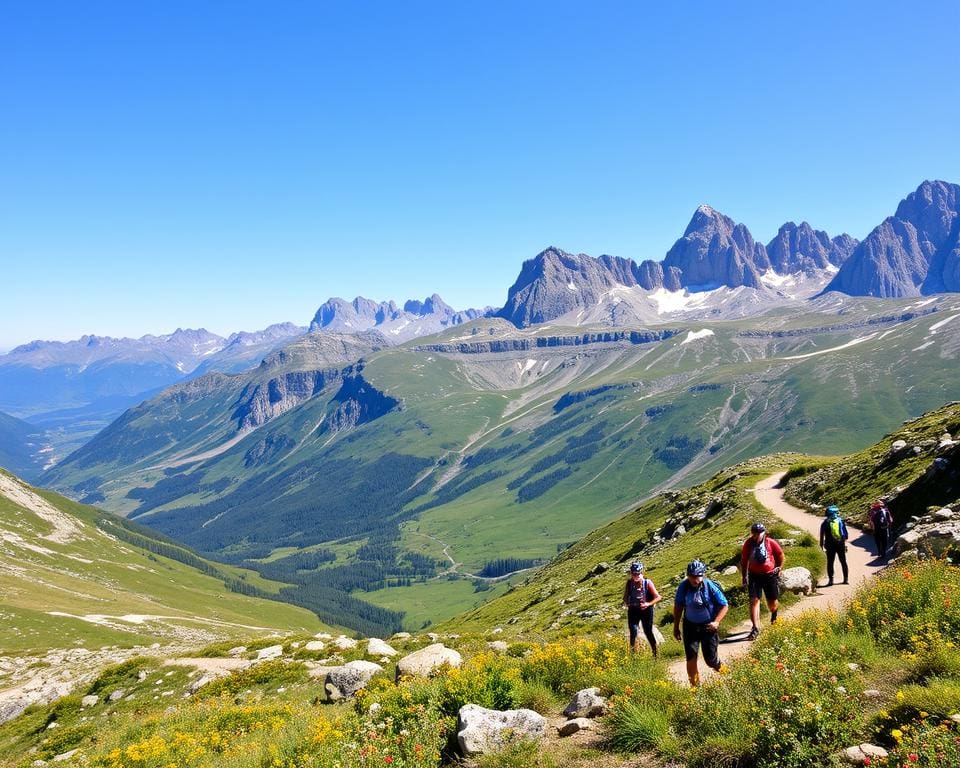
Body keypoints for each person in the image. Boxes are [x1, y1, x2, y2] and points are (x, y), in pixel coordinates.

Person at [673, 559, 729, 687]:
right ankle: (695, 689)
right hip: (690, 626)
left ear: (702, 575)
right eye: (692, 576)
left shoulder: (709, 586)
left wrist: (716, 622)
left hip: (708, 627)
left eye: (698, 576)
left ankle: (726, 674)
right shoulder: (683, 586)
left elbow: (724, 605)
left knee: (711, 661)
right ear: (688, 575)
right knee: (691, 657)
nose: (695, 579)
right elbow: (678, 607)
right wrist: (676, 627)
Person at [740, 522, 784, 641]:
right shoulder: (748, 544)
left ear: (764, 532)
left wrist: (779, 567)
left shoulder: (770, 542)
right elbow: (744, 561)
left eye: (760, 532)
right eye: (755, 533)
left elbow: (780, 554)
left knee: (772, 602)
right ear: (752, 534)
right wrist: (744, 576)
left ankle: (774, 615)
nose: (758, 535)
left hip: (769, 575)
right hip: (754, 576)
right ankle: (755, 628)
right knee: (754, 600)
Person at [622, 561, 662, 657]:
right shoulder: (629, 583)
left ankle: (655, 653)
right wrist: (628, 603)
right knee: (633, 631)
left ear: (641, 573)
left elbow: (658, 597)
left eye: (637, 573)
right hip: (633, 610)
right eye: (633, 573)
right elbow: (625, 597)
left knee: (648, 631)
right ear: (631, 573)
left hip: (646, 610)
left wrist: (648, 604)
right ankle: (633, 656)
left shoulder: (647, 583)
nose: (635, 575)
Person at [819, 504, 849, 585]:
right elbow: (846, 535)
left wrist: (821, 546)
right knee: (843, 561)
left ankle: (831, 580)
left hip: (829, 545)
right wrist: (843, 543)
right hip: (840, 544)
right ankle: (846, 579)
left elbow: (822, 535)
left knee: (830, 562)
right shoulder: (840, 521)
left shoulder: (825, 523)